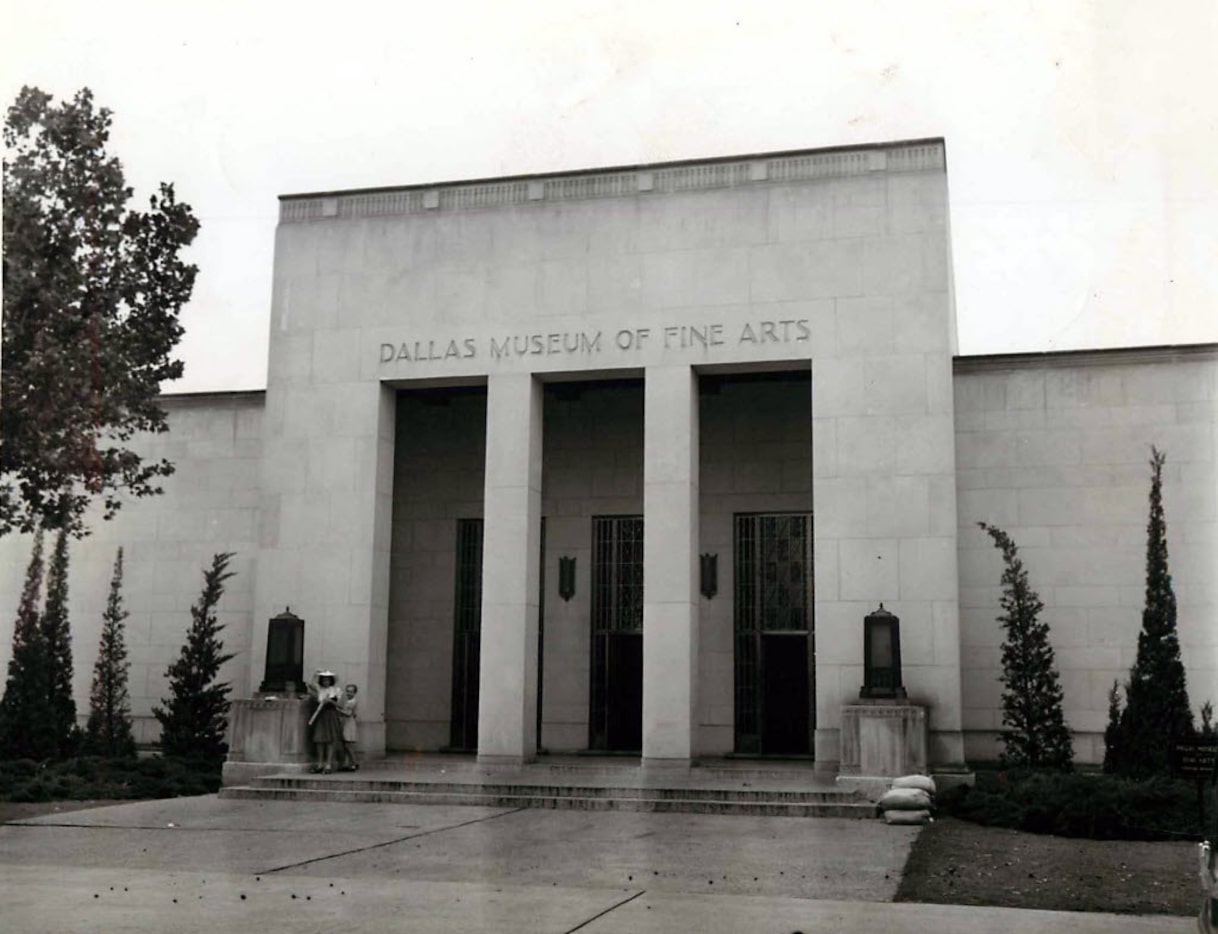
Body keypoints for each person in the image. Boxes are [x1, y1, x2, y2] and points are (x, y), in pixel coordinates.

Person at [307, 669, 344, 773]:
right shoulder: (319, 690)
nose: (326, 682)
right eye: (324, 680)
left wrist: (331, 701)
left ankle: (328, 764)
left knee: (330, 740)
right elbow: (311, 685)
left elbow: (341, 705)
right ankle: (319, 763)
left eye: (328, 680)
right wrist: (315, 675)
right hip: (321, 715)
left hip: (331, 714)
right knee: (319, 739)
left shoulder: (336, 690)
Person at [338, 683, 359, 771]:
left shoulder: (353, 702)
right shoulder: (347, 701)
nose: (349, 693)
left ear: (354, 693)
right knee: (345, 745)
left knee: (348, 745)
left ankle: (354, 762)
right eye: (347, 691)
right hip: (345, 722)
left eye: (351, 692)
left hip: (349, 723)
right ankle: (348, 763)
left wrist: (337, 709)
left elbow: (348, 713)